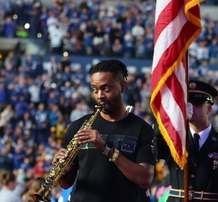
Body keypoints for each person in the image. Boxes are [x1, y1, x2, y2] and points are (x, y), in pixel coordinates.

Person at [52, 59, 156, 202]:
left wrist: (107, 149)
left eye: (106, 89)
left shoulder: (142, 129)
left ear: (122, 86)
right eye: (95, 89)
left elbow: (145, 179)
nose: (99, 95)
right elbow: (66, 184)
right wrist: (63, 171)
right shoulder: (78, 126)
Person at [157, 79, 218, 201]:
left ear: (209, 109)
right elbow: (154, 147)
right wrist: (174, 120)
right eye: (187, 103)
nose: (190, 108)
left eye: (196, 103)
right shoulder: (173, 138)